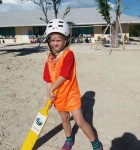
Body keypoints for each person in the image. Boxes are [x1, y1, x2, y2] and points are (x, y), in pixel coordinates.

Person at [43, 18, 103, 150]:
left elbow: (64, 75)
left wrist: (52, 88)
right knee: (64, 119)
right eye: (52, 40)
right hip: (58, 96)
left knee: (79, 121)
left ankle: (96, 144)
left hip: (71, 94)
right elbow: (48, 78)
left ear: (65, 40)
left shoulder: (69, 55)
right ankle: (69, 140)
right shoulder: (49, 58)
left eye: (58, 40)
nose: (55, 43)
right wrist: (50, 93)